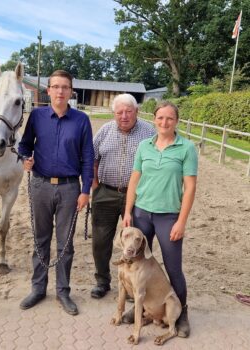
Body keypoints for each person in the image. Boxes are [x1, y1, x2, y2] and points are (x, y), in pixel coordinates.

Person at [18, 70, 94, 316]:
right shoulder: (37, 116)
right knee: (40, 239)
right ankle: (38, 288)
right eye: (56, 86)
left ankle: (63, 291)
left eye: (65, 87)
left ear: (71, 91)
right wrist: (24, 158)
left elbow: (88, 157)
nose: (60, 91)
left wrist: (85, 191)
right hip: (39, 185)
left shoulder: (81, 120)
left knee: (66, 244)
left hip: (70, 188)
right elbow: (24, 144)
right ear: (48, 90)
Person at [122, 101, 198, 338]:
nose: (164, 122)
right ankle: (141, 306)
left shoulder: (186, 148)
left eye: (169, 118)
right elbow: (134, 180)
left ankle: (181, 312)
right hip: (142, 213)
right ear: (154, 120)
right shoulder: (144, 146)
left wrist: (181, 221)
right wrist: (127, 211)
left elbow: (190, 187)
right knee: (138, 263)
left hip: (168, 217)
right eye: (160, 118)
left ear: (177, 121)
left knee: (173, 267)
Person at [90, 93, 155, 299]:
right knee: (101, 241)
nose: (124, 116)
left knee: (137, 242)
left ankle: (134, 283)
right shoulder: (104, 131)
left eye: (128, 111)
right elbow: (92, 158)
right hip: (106, 192)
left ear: (136, 111)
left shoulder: (149, 132)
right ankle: (102, 281)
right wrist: (95, 185)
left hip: (138, 197)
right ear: (114, 113)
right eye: (119, 112)